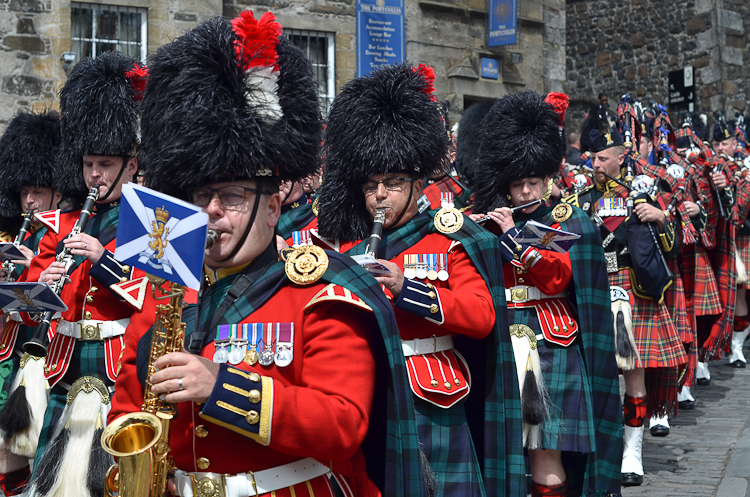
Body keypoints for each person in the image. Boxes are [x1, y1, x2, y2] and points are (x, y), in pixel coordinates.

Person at [108, 13, 428, 497]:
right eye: (200, 196)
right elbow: (127, 410)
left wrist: (221, 388)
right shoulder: (167, 290)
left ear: (273, 204)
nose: (213, 211)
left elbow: (343, 424)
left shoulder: (321, 291)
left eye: (233, 196)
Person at [316, 62, 525, 497]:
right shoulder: (353, 248)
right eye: (371, 184)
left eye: (392, 183)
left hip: (434, 396)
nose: (378, 195)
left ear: (418, 185)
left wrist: (405, 287)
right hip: (372, 393)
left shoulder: (447, 240)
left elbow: (482, 317)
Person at [472, 91, 622, 497]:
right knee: (506, 452)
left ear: (547, 179)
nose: (524, 193)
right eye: (517, 184)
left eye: (532, 183)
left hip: (552, 341)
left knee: (545, 451)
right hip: (505, 336)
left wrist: (514, 241)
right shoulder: (494, 218)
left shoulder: (567, 219)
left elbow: (558, 277)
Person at [20, 52, 147, 497]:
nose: (95, 173)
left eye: (107, 165)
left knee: (108, 479)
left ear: (130, 166)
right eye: (89, 163)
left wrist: (101, 259)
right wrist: (42, 282)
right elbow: (32, 297)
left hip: (117, 361)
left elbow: (156, 294)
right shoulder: (62, 221)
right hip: (64, 358)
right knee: (46, 476)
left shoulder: (150, 222)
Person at [562, 122, 686, 487]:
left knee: (634, 374)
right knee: (595, 376)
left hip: (633, 293)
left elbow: (672, 246)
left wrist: (662, 219)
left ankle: (633, 451)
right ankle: (602, 447)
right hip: (594, 291)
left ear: (620, 158)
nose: (595, 163)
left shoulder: (641, 194)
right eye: (593, 157)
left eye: (603, 157)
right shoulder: (578, 200)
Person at [0, 110, 62, 496]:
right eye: (24, 192)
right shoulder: (11, 234)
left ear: (57, 191)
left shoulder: (60, 234)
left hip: (41, 353)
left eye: (38, 191)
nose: (30, 200)